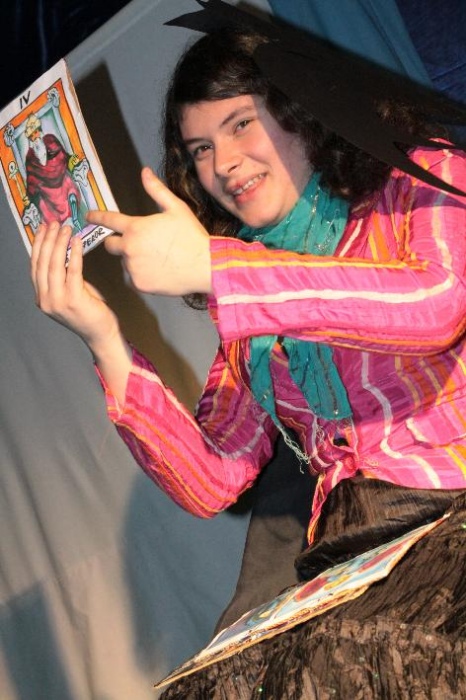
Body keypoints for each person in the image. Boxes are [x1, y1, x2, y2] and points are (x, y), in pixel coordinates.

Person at [30, 18, 466, 700]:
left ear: (301, 110)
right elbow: (212, 479)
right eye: (201, 148)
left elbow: (435, 304)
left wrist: (219, 268)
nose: (225, 164)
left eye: (240, 124)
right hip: (352, 548)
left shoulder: (421, 175)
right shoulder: (249, 311)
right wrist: (104, 340)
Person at [24, 113, 85, 229]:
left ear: (39, 131)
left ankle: (74, 218)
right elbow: (31, 179)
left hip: (61, 180)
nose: (35, 137)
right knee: (43, 205)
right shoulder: (30, 156)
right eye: (31, 135)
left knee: (69, 186)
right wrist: (29, 196)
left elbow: (63, 156)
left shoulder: (50, 140)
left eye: (35, 132)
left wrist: (71, 161)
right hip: (47, 191)